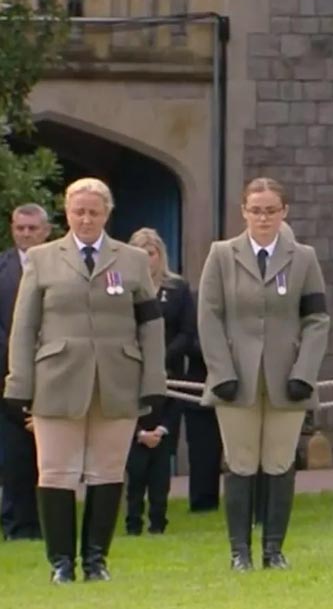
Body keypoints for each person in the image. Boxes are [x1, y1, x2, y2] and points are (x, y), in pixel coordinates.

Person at [4, 178, 168, 583]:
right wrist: (18, 384)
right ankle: (61, 562)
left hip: (117, 378)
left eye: (94, 211)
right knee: (56, 471)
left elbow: (150, 325)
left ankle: (96, 560)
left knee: (107, 471)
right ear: (67, 213)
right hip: (57, 379)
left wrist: (154, 381)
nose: (86, 218)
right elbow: (24, 326)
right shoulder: (43, 259)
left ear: (107, 213)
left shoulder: (131, 260)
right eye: (79, 211)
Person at [198, 177, 330, 571]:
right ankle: (240, 552)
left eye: (271, 210)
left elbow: (317, 318)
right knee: (240, 461)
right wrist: (220, 369)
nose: (264, 217)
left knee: (278, 461)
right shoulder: (221, 255)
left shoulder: (303, 257)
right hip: (236, 379)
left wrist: (304, 371)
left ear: (284, 212)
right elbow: (209, 315)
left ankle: (274, 550)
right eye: (256, 210)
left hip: (285, 378)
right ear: (244, 212)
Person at [123, 228, 193, 535]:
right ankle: (132, 521)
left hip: (170, 375)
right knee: (135, 464)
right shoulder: (121, 288)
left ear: (160, 255)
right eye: (139, 252)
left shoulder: (177, 289)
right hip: (131, 374)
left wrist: (160, 357)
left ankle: (159, 521)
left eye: (150, 252)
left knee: (161, 458)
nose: (146, 258)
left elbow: (187, 332)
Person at [0, 203, 52, 542]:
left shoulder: (60, 264)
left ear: (46, 230)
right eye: (20, 228)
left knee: (50, 458)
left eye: (32, 228)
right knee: (15, 456)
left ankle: (50, 525)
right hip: (7, 378)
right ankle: (18, 526)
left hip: (53, 374)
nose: (26, 234)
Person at [180, 301, 222, 513]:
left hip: (240, 384)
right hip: (200, 386)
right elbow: (187, 341)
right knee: (202, 451)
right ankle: (203, 502)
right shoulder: (194, 303)